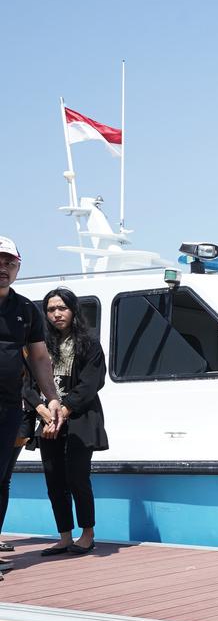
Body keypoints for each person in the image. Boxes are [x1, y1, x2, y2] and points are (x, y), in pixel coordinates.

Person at [23, 288, 108, 556]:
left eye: (62, 308)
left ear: (73, 310)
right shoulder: (39, 346)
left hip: (80, 420)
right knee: (54, 480)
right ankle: (64, 536)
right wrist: (43, 410)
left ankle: (87, 534)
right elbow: (26, 383)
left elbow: (92, 382)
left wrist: (64, 409)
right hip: (47, 420)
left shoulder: (89, 343)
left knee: (78, 478)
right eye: (50, 309)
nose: (57, 314)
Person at [0, 236, 63, 576]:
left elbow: (39, 357)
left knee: (0, 480)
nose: (3, 267)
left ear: (18, 267)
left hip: (8, 407)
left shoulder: (26, 310)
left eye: (9, 261)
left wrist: (51, 396)